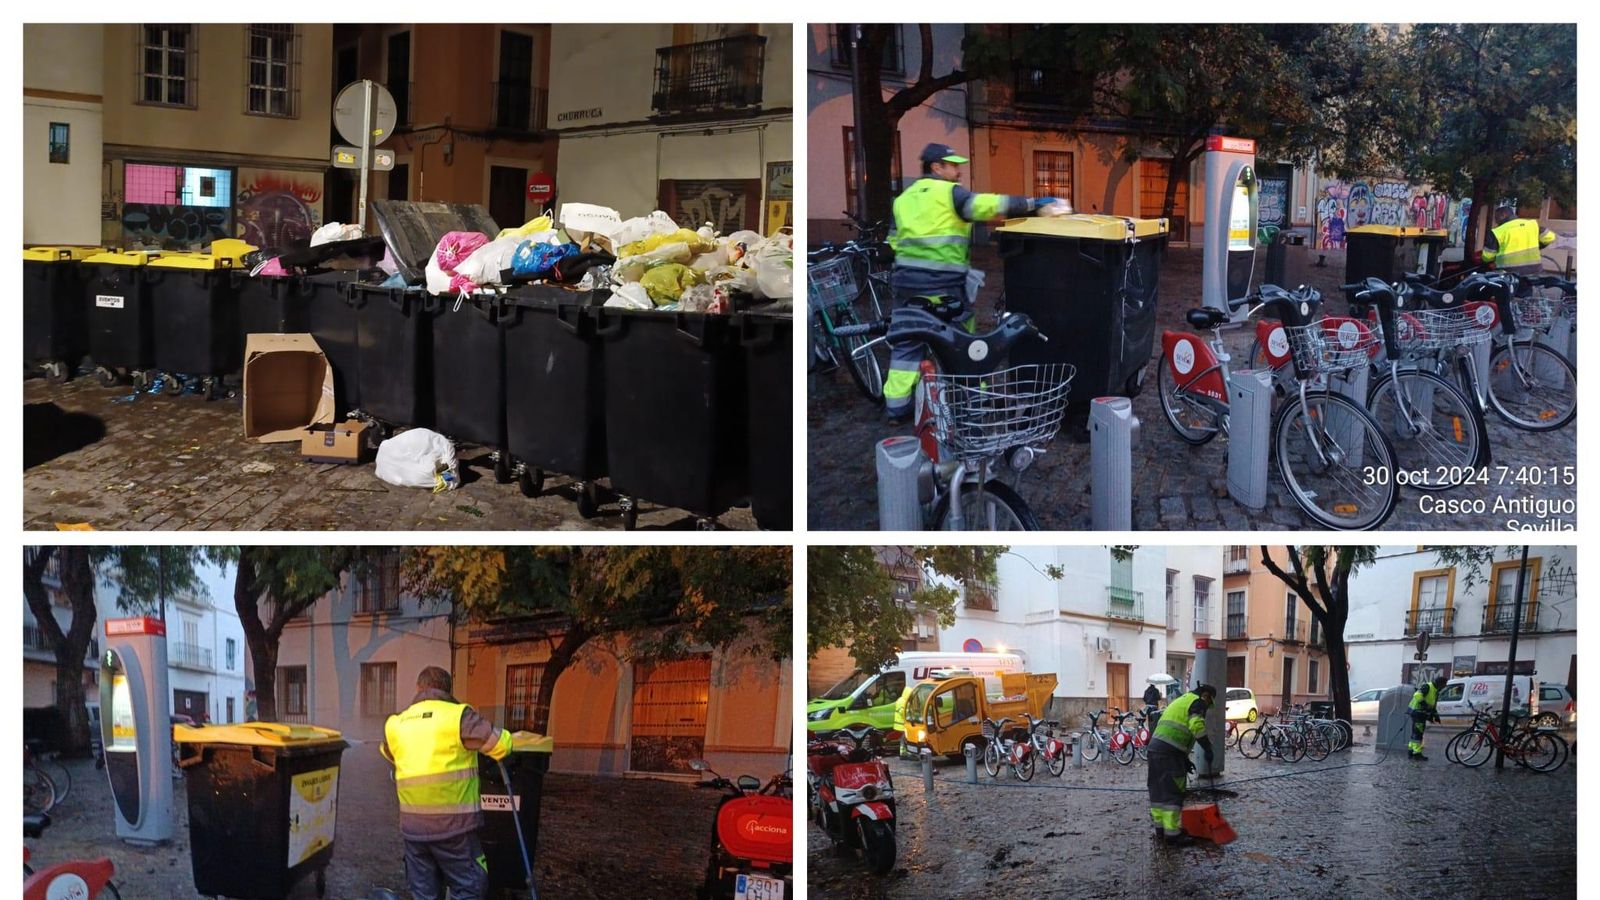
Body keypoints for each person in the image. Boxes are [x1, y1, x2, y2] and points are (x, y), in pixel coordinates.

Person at [882, 143, 1057, 421]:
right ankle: (973, 396)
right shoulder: (950, 193)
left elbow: (892, 242)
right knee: (963, 340)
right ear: (935, 167)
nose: (958, 170)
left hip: (906, 285)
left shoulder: (902, 199)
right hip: (944, 286)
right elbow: (988, 206)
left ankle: (896, 406)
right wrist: (1031, 204)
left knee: (907, 340)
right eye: (952, 165)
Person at [381, 666, 513, 900]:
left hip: (413, 830)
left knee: (423, 893)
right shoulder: (458, 717)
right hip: (454, 828)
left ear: (419, 688)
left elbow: (390, 753)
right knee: (468, 888)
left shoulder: (395, 724)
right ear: (447, 690)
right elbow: (501, 745)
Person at [1147, 683, 1218, 846]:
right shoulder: (1198, 702)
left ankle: (1161, 830)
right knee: (1173, 791)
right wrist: (1208, 748)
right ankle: (1172, 835)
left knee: (1158, 790)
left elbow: (1174, 730)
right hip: (1170, 753)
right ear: (1207, 696)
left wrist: (1185, 760)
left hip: (1155, 749)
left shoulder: (1182, 699)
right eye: (1209, 703)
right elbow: (1197, 726)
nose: (1207, 707)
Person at [1481, 203, 1556, 280]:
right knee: (1525, 289)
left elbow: (1487, 257)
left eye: (1496, 218)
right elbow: (1550, 237)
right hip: (1532, 270)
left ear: (1503, 215)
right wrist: (1537, 246)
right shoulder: (1531, 224)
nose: (1496, 222)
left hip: (1508, 272)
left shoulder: (1498, 231)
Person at [1408, 674, 1448, 761]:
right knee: (1418, 734)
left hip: (1420, 713)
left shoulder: (1436, 690)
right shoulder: (1428, 686)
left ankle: (1411, 751)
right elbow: (1417, 695)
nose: (1445, 687)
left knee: (1415, 733)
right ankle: (1417, 754)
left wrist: (1435, 715)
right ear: (1440, 683)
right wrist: (1424, 705)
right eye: (1445, 685)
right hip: (1417, 712)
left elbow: (1432, 705)